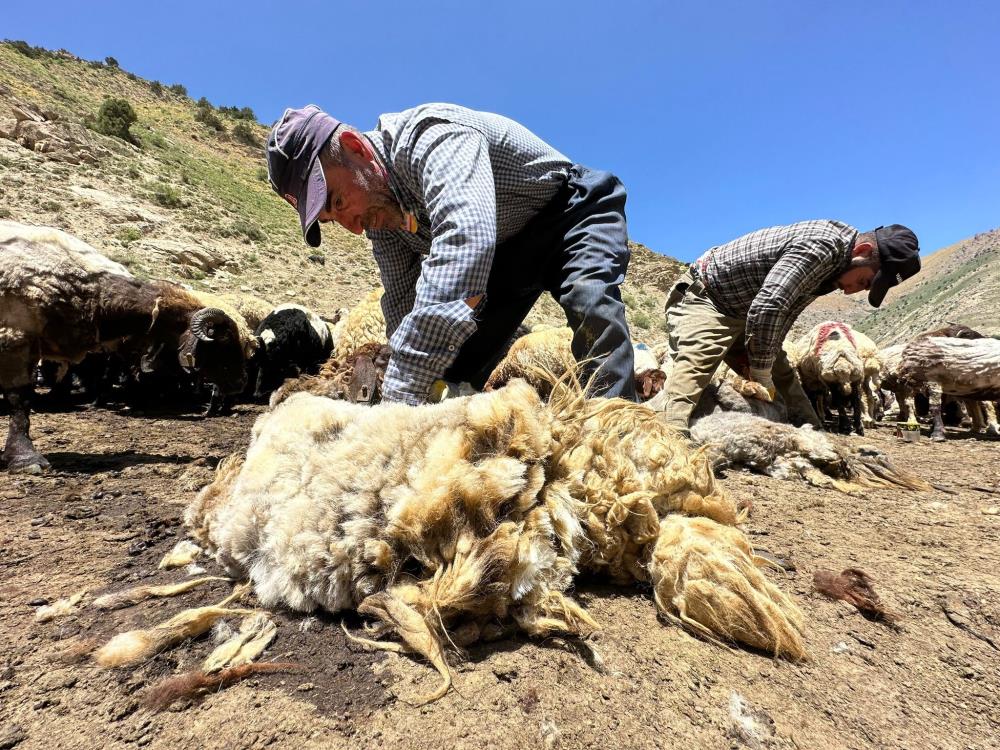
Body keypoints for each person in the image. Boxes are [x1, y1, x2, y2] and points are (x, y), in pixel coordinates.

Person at [265, 103, 637, 405]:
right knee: (447, 368)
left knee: (591, 304)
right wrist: (402, 377)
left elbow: (464, 243)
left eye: (339, 201)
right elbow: (401, 302)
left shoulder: (432, 137)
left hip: (571, 212)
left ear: (355, 147)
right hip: (505, 256)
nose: (354, 227)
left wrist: (400, 394)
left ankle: (620, 432)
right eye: (334, 220)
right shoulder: (381, 220)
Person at [660, 220, 920, 435]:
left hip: (745, 312)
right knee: (697, 363)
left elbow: (784, 313)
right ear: (861, 251)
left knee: (782, 373)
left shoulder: (833, 272)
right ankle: (668, 440)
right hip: (707, 299)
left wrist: (768, 362)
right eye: (863, 281)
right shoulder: (823, 246)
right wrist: (761, 373)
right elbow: (770, 305)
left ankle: (813, 433)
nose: (854, 291)